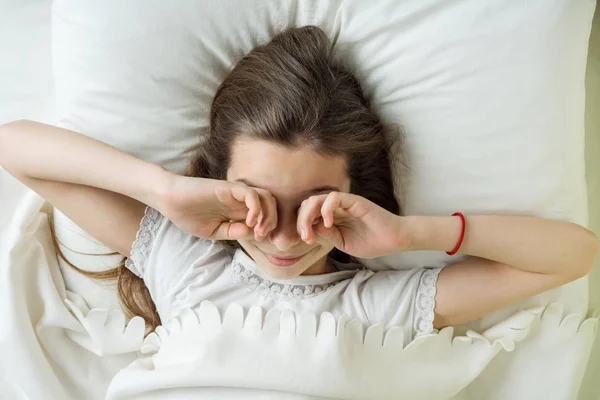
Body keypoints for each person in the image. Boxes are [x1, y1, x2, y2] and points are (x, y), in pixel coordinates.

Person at [0, 26, 596, 344]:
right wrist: (168, 192)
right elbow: (14, 146)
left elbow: (571, 257)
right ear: (220, 183)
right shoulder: (185, 263)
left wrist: (411, 234)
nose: (283, 236)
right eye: (254, 198)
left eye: (315, 207)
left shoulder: (372, 306)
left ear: (352, 193)